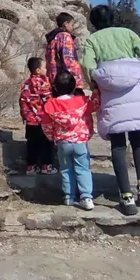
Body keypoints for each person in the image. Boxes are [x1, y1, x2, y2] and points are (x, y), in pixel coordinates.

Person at [80, 4, 140, 216]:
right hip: (135, 92)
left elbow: (86, 64)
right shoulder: (127, 34)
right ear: (113, 18)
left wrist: (93, 83)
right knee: (138, 140)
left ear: (93, 22)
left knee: (118, 146)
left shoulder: (93, 40)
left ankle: (126, 197)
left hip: (111, 97)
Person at [41, 70, 99, 210]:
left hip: (62, 141)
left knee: (66, 169)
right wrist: (96, 89)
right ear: (74, 86)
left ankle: (68, 197)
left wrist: (52, 138)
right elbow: (96, 104)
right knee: (83, 168)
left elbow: (46, 125)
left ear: (55, 87)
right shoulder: (82, 101)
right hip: (80, 141)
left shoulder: (50, 105)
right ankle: (86, 197)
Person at [18, 56, 57, 175]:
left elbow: (22, 101)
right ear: (38, 70)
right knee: (46, 143)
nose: (47, 70)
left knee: (32, 144)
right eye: (45, 67)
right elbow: (48, 99)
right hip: (43, 119)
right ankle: (46, 166)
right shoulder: (43, 82)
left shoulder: (26, 83)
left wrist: (24, 116)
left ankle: (31, 167)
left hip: (30, 120)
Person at [45, 12, 84, 93]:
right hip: (67, 83)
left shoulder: (52, 39)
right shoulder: (65, 36)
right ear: (66, 24)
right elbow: (68, 60)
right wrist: (76, 80)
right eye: (71, 24)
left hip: (55, 81)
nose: (72, 28)